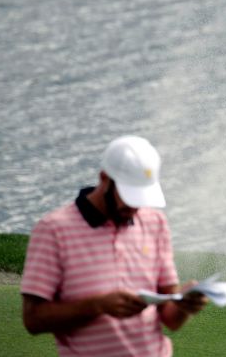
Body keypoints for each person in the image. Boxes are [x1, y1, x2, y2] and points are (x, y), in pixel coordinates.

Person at [20, 135, 208, 357]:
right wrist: (98, 305)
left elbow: (169, 318)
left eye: (141, 197)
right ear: (104, 179)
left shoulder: (155, 222)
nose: (135, 207)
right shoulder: (53, 229)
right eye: (129, 197)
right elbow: (33, 319)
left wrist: (183, 304)